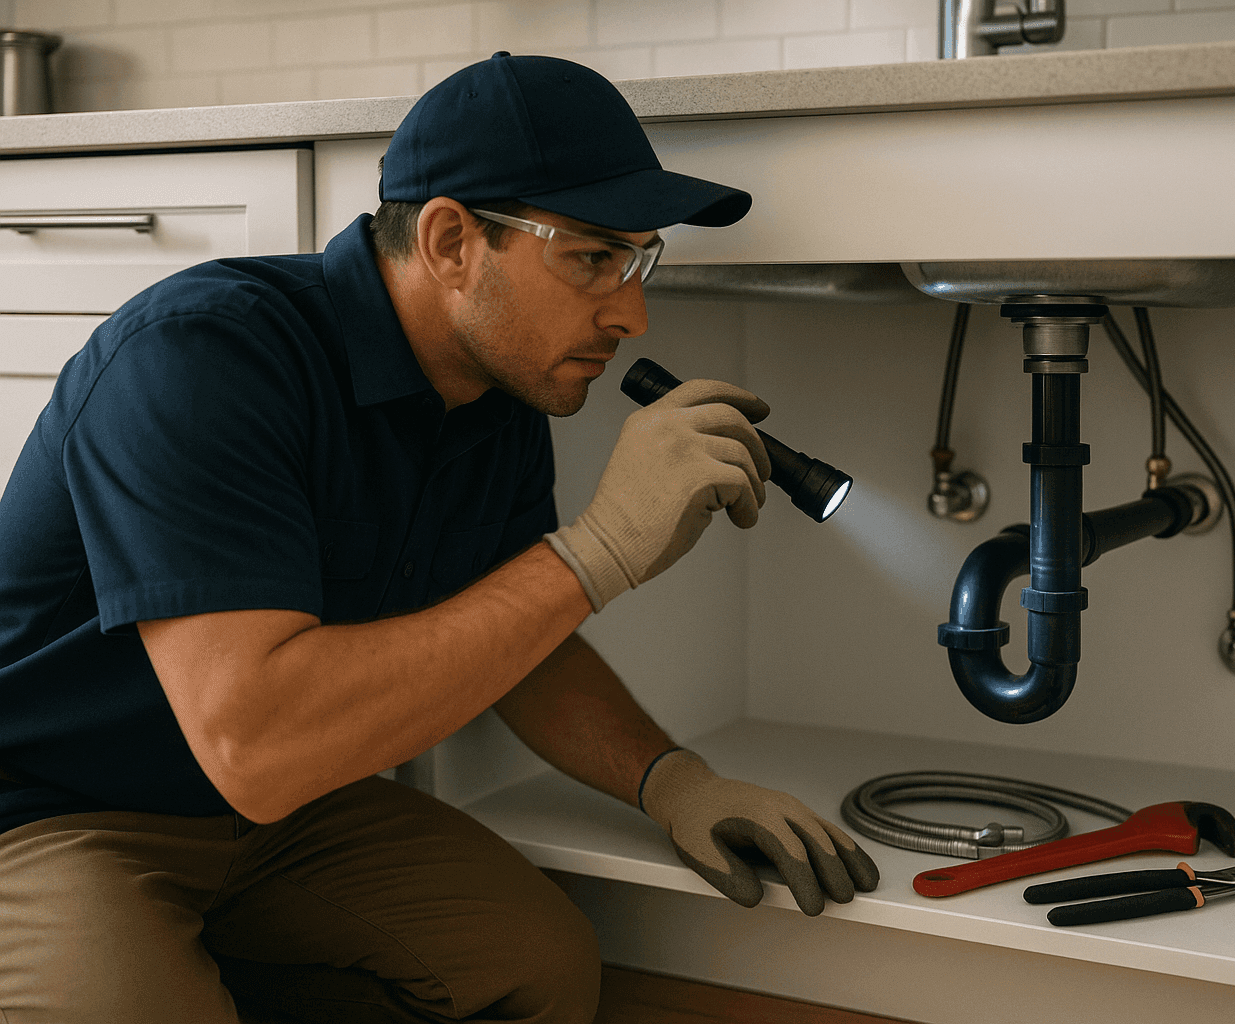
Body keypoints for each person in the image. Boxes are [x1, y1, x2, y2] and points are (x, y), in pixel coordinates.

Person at [0, 53, 878, 1024]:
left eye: (640, 260)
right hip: (48, 811)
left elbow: (511, 635)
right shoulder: (205, 358)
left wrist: (677, 783)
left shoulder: (492, 394)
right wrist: (599, 550)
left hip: (280, 817)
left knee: (535, 965)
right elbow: (253, 743)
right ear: (453, 240)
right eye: (594, 258)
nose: (630, 312)